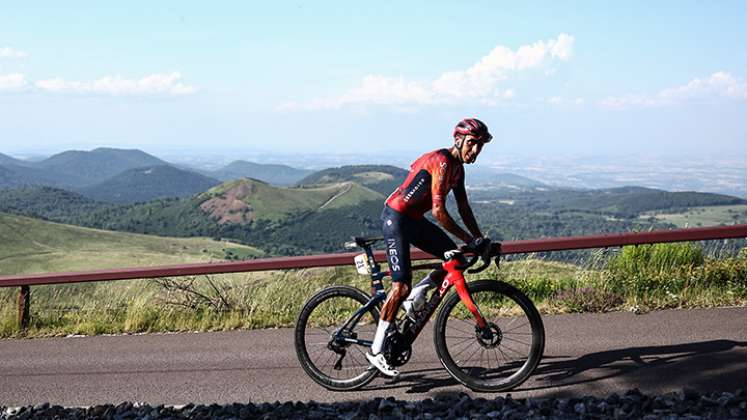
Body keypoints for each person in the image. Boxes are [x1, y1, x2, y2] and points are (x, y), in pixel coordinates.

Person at [366, 117, 493, 376]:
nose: (476, 150)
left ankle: (416, 295)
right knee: (400, 286)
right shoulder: (443, 161)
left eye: (480, 146)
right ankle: (377, 350)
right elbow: (438, 211)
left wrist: (479, 238)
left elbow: (463, 208)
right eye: (472, 144)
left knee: (455, 260)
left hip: (414, 220)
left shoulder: (459, 169)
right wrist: (470, 239)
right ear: (459, 141)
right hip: (396, 218)